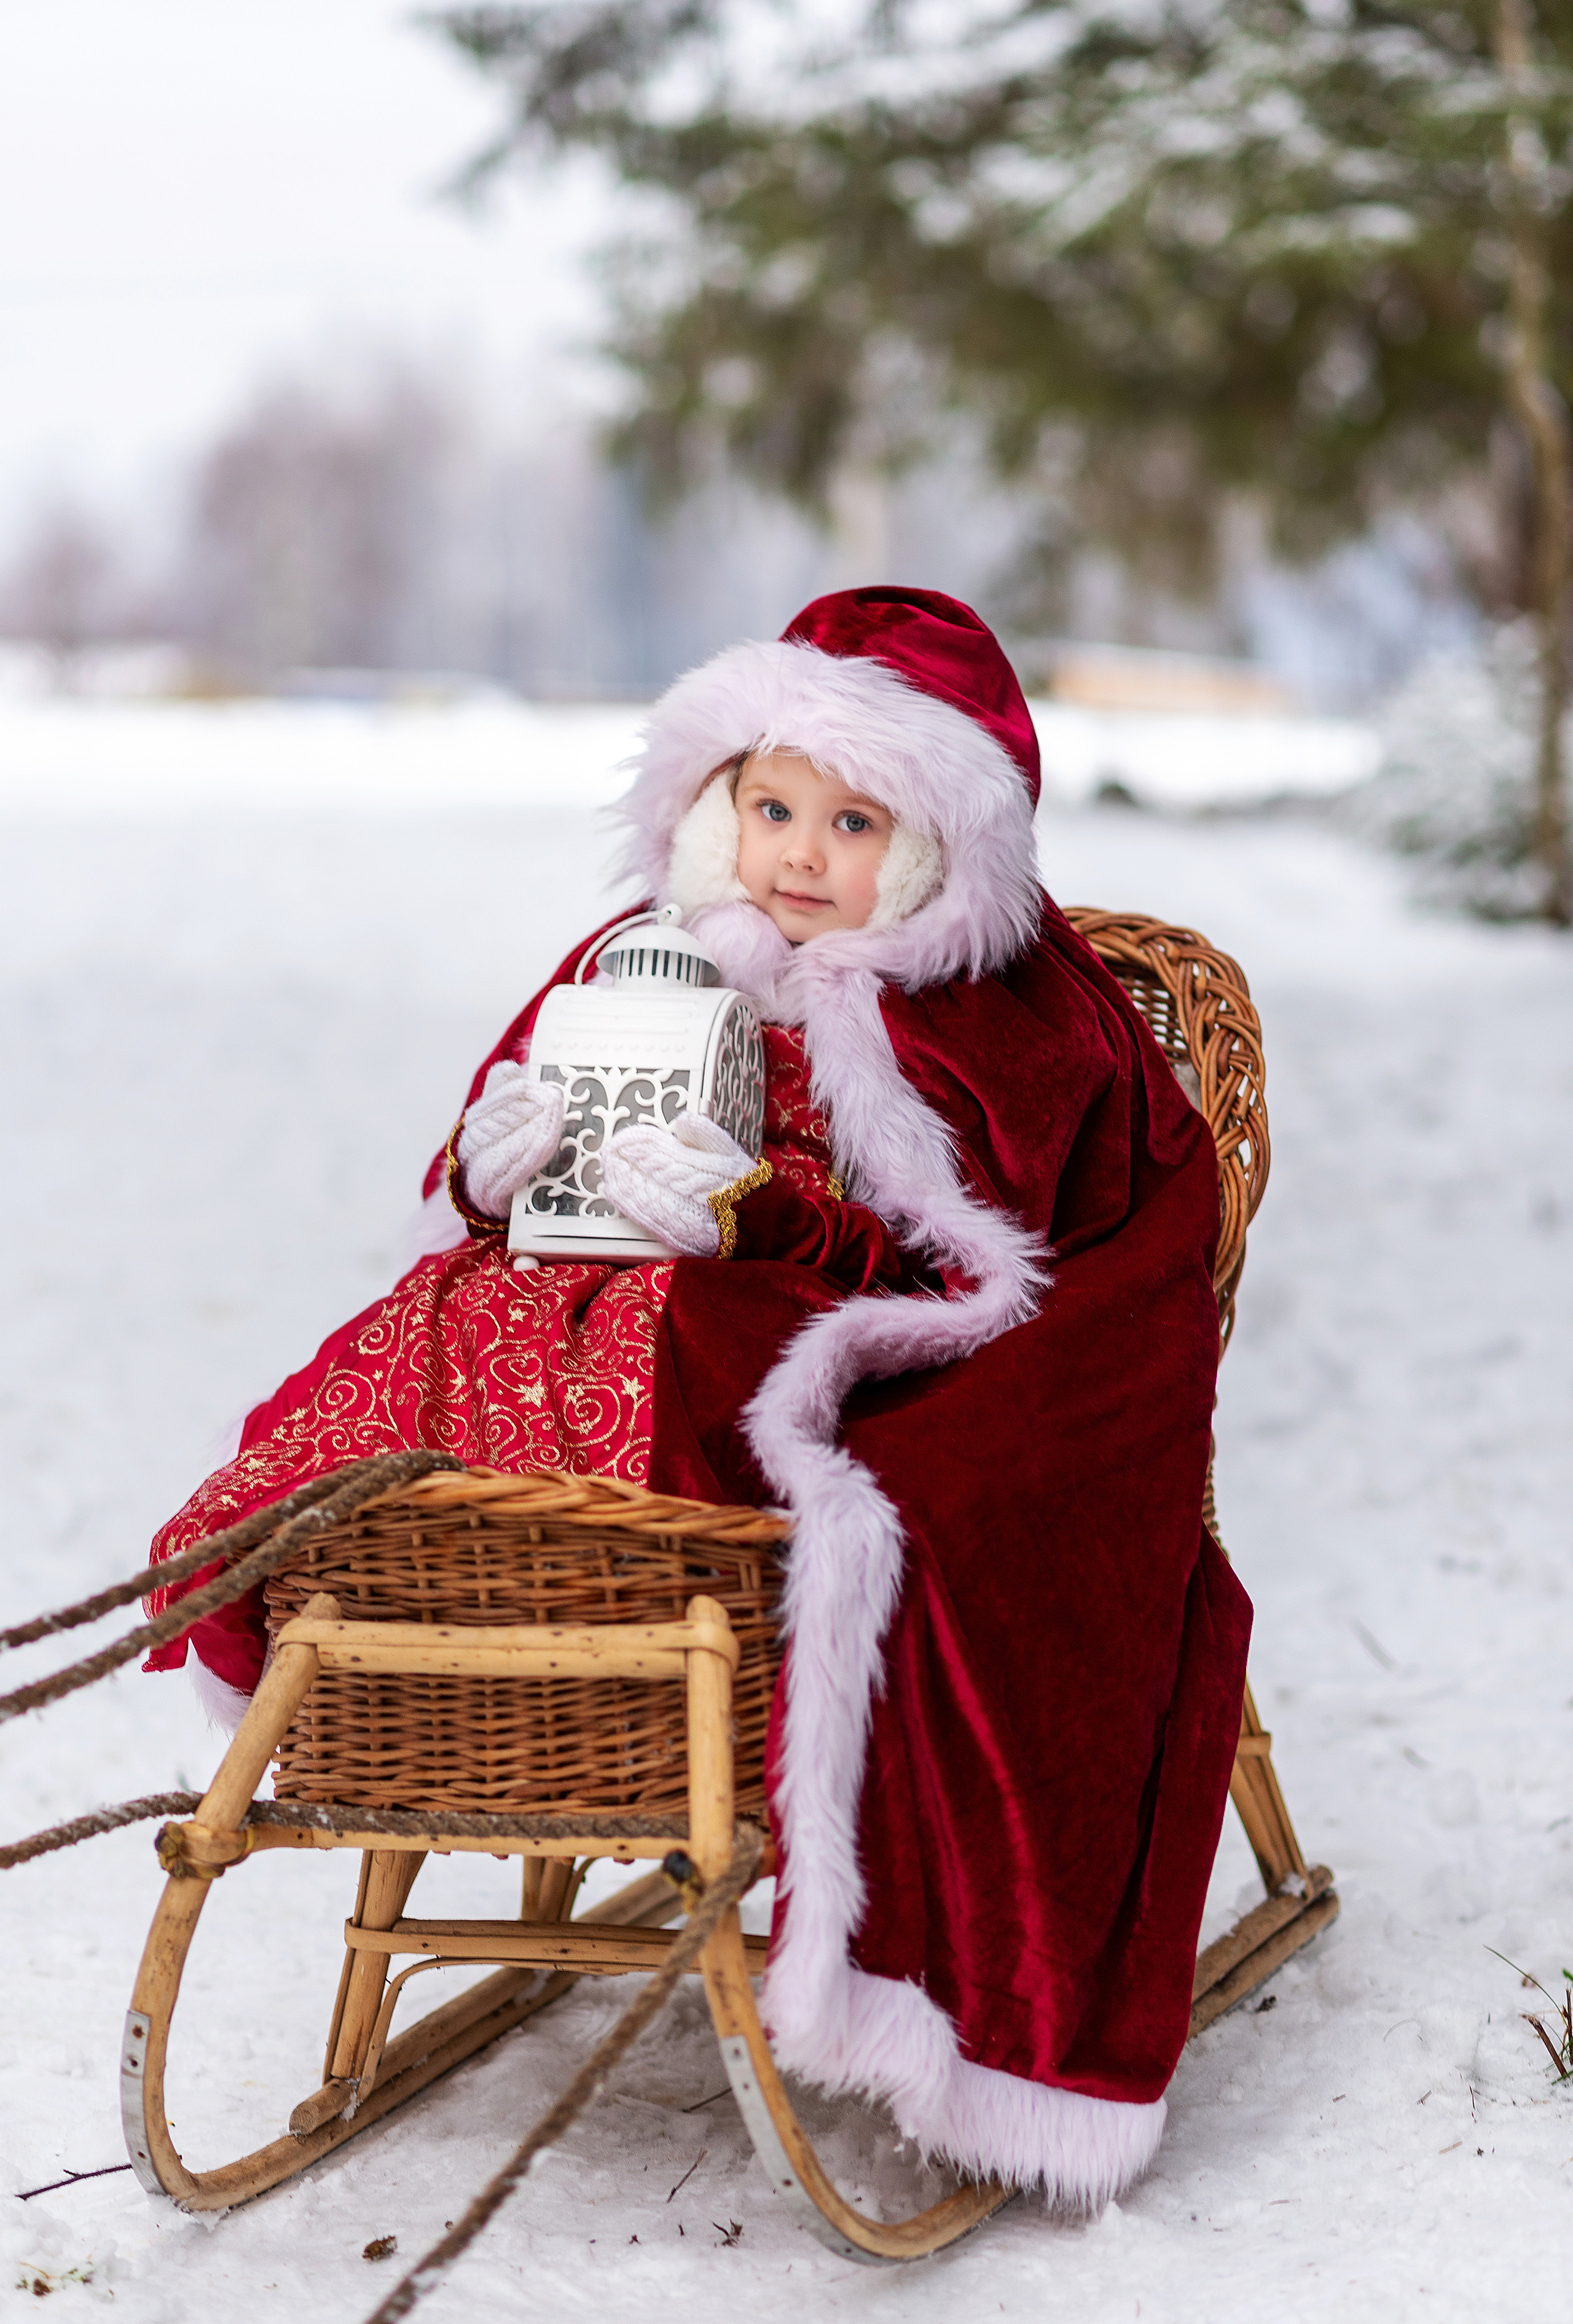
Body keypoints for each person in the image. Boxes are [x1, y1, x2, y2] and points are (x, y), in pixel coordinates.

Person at [145, 585, 1250, 2209]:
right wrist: (494, 1163)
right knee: (454, 1311)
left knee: (648, 1336)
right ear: (715, 801)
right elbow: (498, 1153)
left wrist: (752, 1221)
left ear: (936, 842)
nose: (801, 853)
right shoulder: (649, 962)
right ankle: (381, 1543)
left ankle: (559, 1537)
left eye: (853, 820)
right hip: (592, 1291)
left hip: (772, 1343)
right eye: (771, 804)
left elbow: (976, 1264)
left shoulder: (1000, 1020)